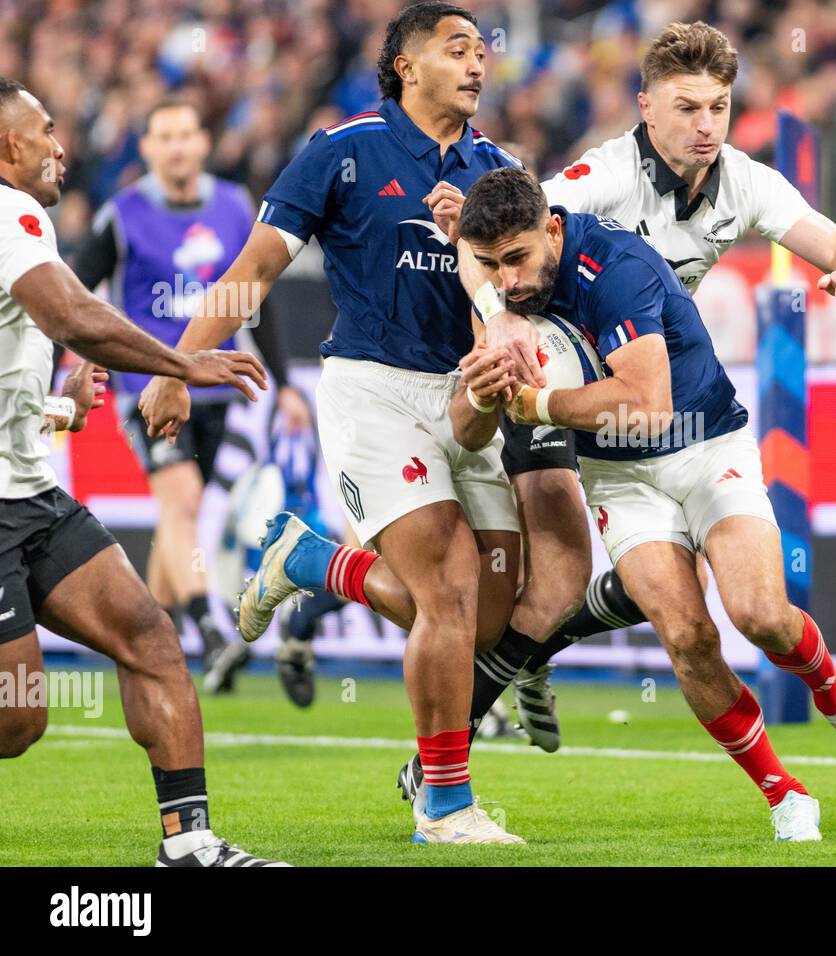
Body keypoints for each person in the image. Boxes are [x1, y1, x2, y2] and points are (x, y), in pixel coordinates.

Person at [237, 23, 836, 779]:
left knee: (543, 595)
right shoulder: (597, 179)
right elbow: (507, 236)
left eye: (718, 107)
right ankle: (472, 728)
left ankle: (491, 659)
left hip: (630, 402)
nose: (705, 125)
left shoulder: (747, 182)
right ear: (647, 108)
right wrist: (504, 313)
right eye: (687, 108)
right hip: (539, 373)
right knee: (525, 584)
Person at [137, 2, 528, 846]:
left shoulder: (498, 172)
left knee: (490, 614)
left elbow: (532, 288)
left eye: (479, 51)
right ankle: (446, 806)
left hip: (467, 401)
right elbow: (255, 269)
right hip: (373, 392)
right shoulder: (342, 152)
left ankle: (310, 559)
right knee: (451, 590)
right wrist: (179, 364)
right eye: (455, 49)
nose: (476, 63)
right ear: (404, 66)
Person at [451, 166, 836, 841]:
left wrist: (535, 404)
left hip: (705, 447)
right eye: (491, 266)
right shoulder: (500, 293)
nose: (509, 279)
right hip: (617, 477)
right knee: (687, 637)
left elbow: (647, 408)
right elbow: (471, 425)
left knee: (759, 614)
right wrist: (482, 387)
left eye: (518, 259)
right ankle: (784, 794)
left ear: (552, 229)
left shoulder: (614, 266)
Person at [0, 78, 284, 866]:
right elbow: (74, 316)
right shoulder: (9, 214)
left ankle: (188, 845)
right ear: (6, 147)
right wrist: (180, 362)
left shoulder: (22, 227)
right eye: (45, 131)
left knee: (151, 637)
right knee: (16, 721)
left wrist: (58, 404)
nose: (62, 145)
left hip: (31, 499)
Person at [72, 96, 310, 693]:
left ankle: (149, 644)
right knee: (179, 503)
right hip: (147, 388)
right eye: (164, 137)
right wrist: (62, 367)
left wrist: (284, 387)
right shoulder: (121, 215)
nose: (177, 147)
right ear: (147, 147)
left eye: (187, 135)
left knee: (181, 515)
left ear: (204, 143)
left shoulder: (235, 208)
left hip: (216, 386)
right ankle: (210, 631)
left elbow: (259, 299)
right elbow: (71, 295)